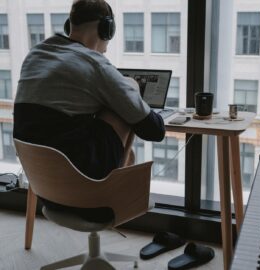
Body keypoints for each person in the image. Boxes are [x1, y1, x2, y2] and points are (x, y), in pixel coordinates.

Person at [13, 0, 165, 180]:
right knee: (122, 103)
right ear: (107, 28)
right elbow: (155, 131)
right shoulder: (95, 64)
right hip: (80, 184)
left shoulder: (36, 54)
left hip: (41, 181)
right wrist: (131, 86)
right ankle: (112, 191)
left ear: (70, 25)